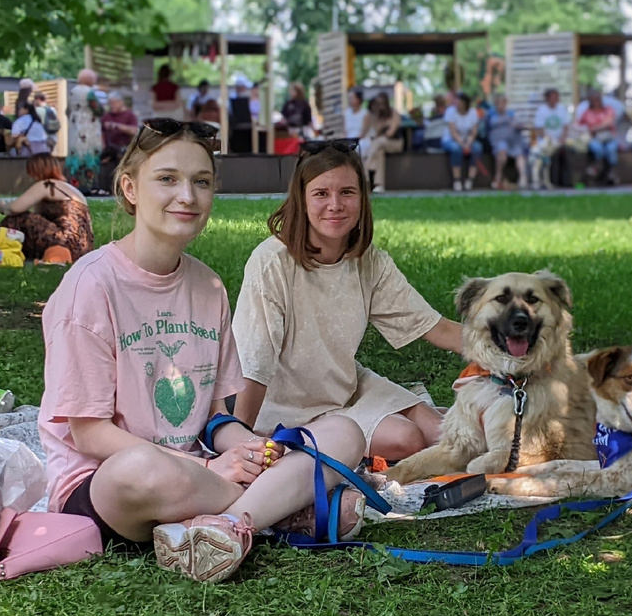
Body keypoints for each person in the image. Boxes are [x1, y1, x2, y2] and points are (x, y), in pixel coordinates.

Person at [37, 119, 366, 582]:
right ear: (130, 188)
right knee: (142, 469)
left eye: (202, 181)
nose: (187, 196)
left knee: (343, 434)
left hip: (203, 473)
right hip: (110, 484)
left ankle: (228, 526)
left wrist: (248, 449)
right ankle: (278, 510)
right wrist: (209, 465)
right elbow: (90, 435)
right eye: (167, 179)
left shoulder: (208, 286)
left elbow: (215, 417)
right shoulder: (89, 286)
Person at [232, 141, 464, 462]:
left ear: (362, 199)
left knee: (442, 432)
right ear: (302, 200)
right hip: (288, 406)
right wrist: (240, 442)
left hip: (347, 385)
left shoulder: (368, 262)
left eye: (347, 192)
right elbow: (254, 364)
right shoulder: (272, 262)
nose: (335, 204)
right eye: (321, 193)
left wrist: (505, 354)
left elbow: (434, 327)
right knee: (407, 440)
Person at [0, 153, 94, 263]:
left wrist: (2, 206)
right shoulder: (70, 189)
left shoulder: (46, 184)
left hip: (65, 242)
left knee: (20, 218)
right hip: (83, 249)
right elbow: (40, 220)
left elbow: (16, 208)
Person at [65, 68, 104, 193]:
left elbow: (67, 111)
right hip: (88, 128)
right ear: (90, 80)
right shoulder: (89, 92)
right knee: (89, 155)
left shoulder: (72, 92)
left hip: (75, 128)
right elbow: (98, 110)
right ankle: (88, 186)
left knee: (76, 156)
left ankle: (74, 185)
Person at [484, 94, 528, 190]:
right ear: (495, 104)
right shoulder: (490, 115)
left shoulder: (511, 114)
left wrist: (519, 126)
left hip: (513, 140)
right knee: (502, 149)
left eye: (503, 103)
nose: (501, 105)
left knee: (519, 152)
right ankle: (498, 176)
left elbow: (520, 125)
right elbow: (486, 130)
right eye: (498, 103)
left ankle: (523, 178)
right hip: (498, 140)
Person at [533, 88, 575, 187]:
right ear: (547, 98)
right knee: (553, 153)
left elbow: (566, 126)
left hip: (560, 140)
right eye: (552, 96)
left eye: (556, 96)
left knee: (567, 151)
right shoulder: (541, 110)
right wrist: (551, 139)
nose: (555, 99)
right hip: (547, 142)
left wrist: (563, 138)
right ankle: (553, 181)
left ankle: (567, 181)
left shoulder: (562, 109)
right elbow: (540, 130)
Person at [441, 92, 483, 191]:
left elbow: (474, 131)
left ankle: (470, 180)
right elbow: (453, 133)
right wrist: (463, 144)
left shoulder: (473, 112)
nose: (457, 104)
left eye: (459, 102)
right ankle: (457, 180)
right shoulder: (451, 112)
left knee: (477, 148)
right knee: (456, 149)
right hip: (451, 140)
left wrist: (468, 143)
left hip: (467, 139)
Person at [360, 92, 400, 193]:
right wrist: (376, 117)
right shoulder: (376, 117)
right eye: (377, 103)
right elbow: (375, 133)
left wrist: (383, 127)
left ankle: (366, 166)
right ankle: (379, 185)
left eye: (382, 103)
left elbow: (391, 133)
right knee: (379, 152)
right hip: (379, 145)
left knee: (379, 142)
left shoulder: (394, 113)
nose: (380, 105)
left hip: (395, 143)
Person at [578, 89, 620, 185]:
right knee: (597, 149)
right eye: (593, 99)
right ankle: (599, 172)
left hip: (609, 137)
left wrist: (594, 128)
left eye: (597, 99)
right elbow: (579, 125)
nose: (595, 101)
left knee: (611, 149)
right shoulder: (587, 112)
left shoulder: (608, 109)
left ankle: (610, 172)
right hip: (594, 138)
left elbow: (609, 123)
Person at [101, 92, 140, 164]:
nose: (112, 106)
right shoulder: (106, 116)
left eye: (114, 103)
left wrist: (117, 126)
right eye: (110, 103)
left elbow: (134, 131)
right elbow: (101, 134)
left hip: (125, 150)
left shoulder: (130, 115)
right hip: (110, 153)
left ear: (121, 102)